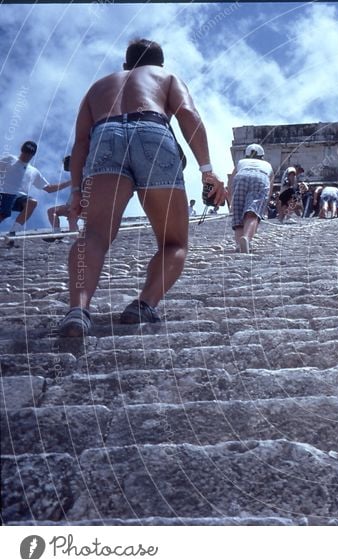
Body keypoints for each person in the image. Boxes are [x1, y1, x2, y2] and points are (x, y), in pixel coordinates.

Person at [58, 38, 226, 337]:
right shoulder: (166, 77)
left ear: (126, 65)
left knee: (95, 233)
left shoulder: (98, 87)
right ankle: (143, 304)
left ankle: (78, 310)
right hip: (153, 131)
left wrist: (75, 191)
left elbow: (80, 142)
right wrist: (206, 170)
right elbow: (187, 114)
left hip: (104, 135)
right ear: (158, 64)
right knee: (174, 243)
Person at [1, 141, 71, 245]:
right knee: (3, 214)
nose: (26, 155)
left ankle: (12, 233)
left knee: (32, 202)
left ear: (33, 154)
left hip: (20, 196)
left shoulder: (33, 171)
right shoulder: (9, 159)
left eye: (29, 153)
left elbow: (49, 188)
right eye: (25, 152)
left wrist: (70, 182)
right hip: (4, 193)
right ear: (21, 150)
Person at [229, 143, 273, 254]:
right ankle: (246, 239)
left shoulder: (241, 162)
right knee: (253, 212)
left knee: (238, 213)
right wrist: (265, 204)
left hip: (241, 176)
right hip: (260, 177)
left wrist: (231, 199)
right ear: (262, 156)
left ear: (247, 155)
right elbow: (270, 185)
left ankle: (239, 244)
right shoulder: (267, 165)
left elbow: (231, 178)